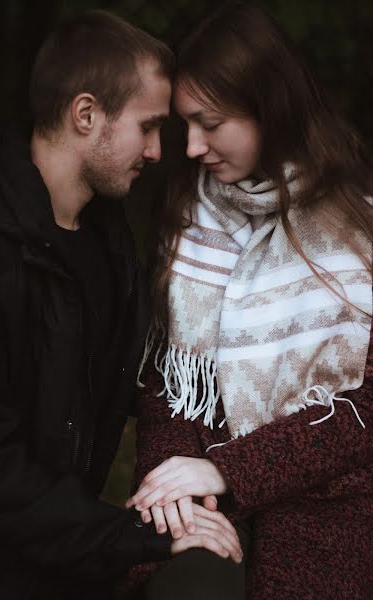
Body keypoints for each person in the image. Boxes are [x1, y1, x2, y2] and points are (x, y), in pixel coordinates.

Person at [0, 10, 242, 600]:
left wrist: (219, 468)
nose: (156, 151)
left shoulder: (107, 237)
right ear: (86, 114)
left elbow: (140, 387)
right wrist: (137, 536)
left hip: (68, 565)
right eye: (148, 126)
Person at [126, 1, 373, 598]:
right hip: (207, 510)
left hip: (331, 514)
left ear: (270, 107)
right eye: (185, 124)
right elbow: (170, 387)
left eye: (210, 123)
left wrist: (231, 470)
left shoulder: (356, 230)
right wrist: (177, 498)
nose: (191, 147)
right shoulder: (190, 220)